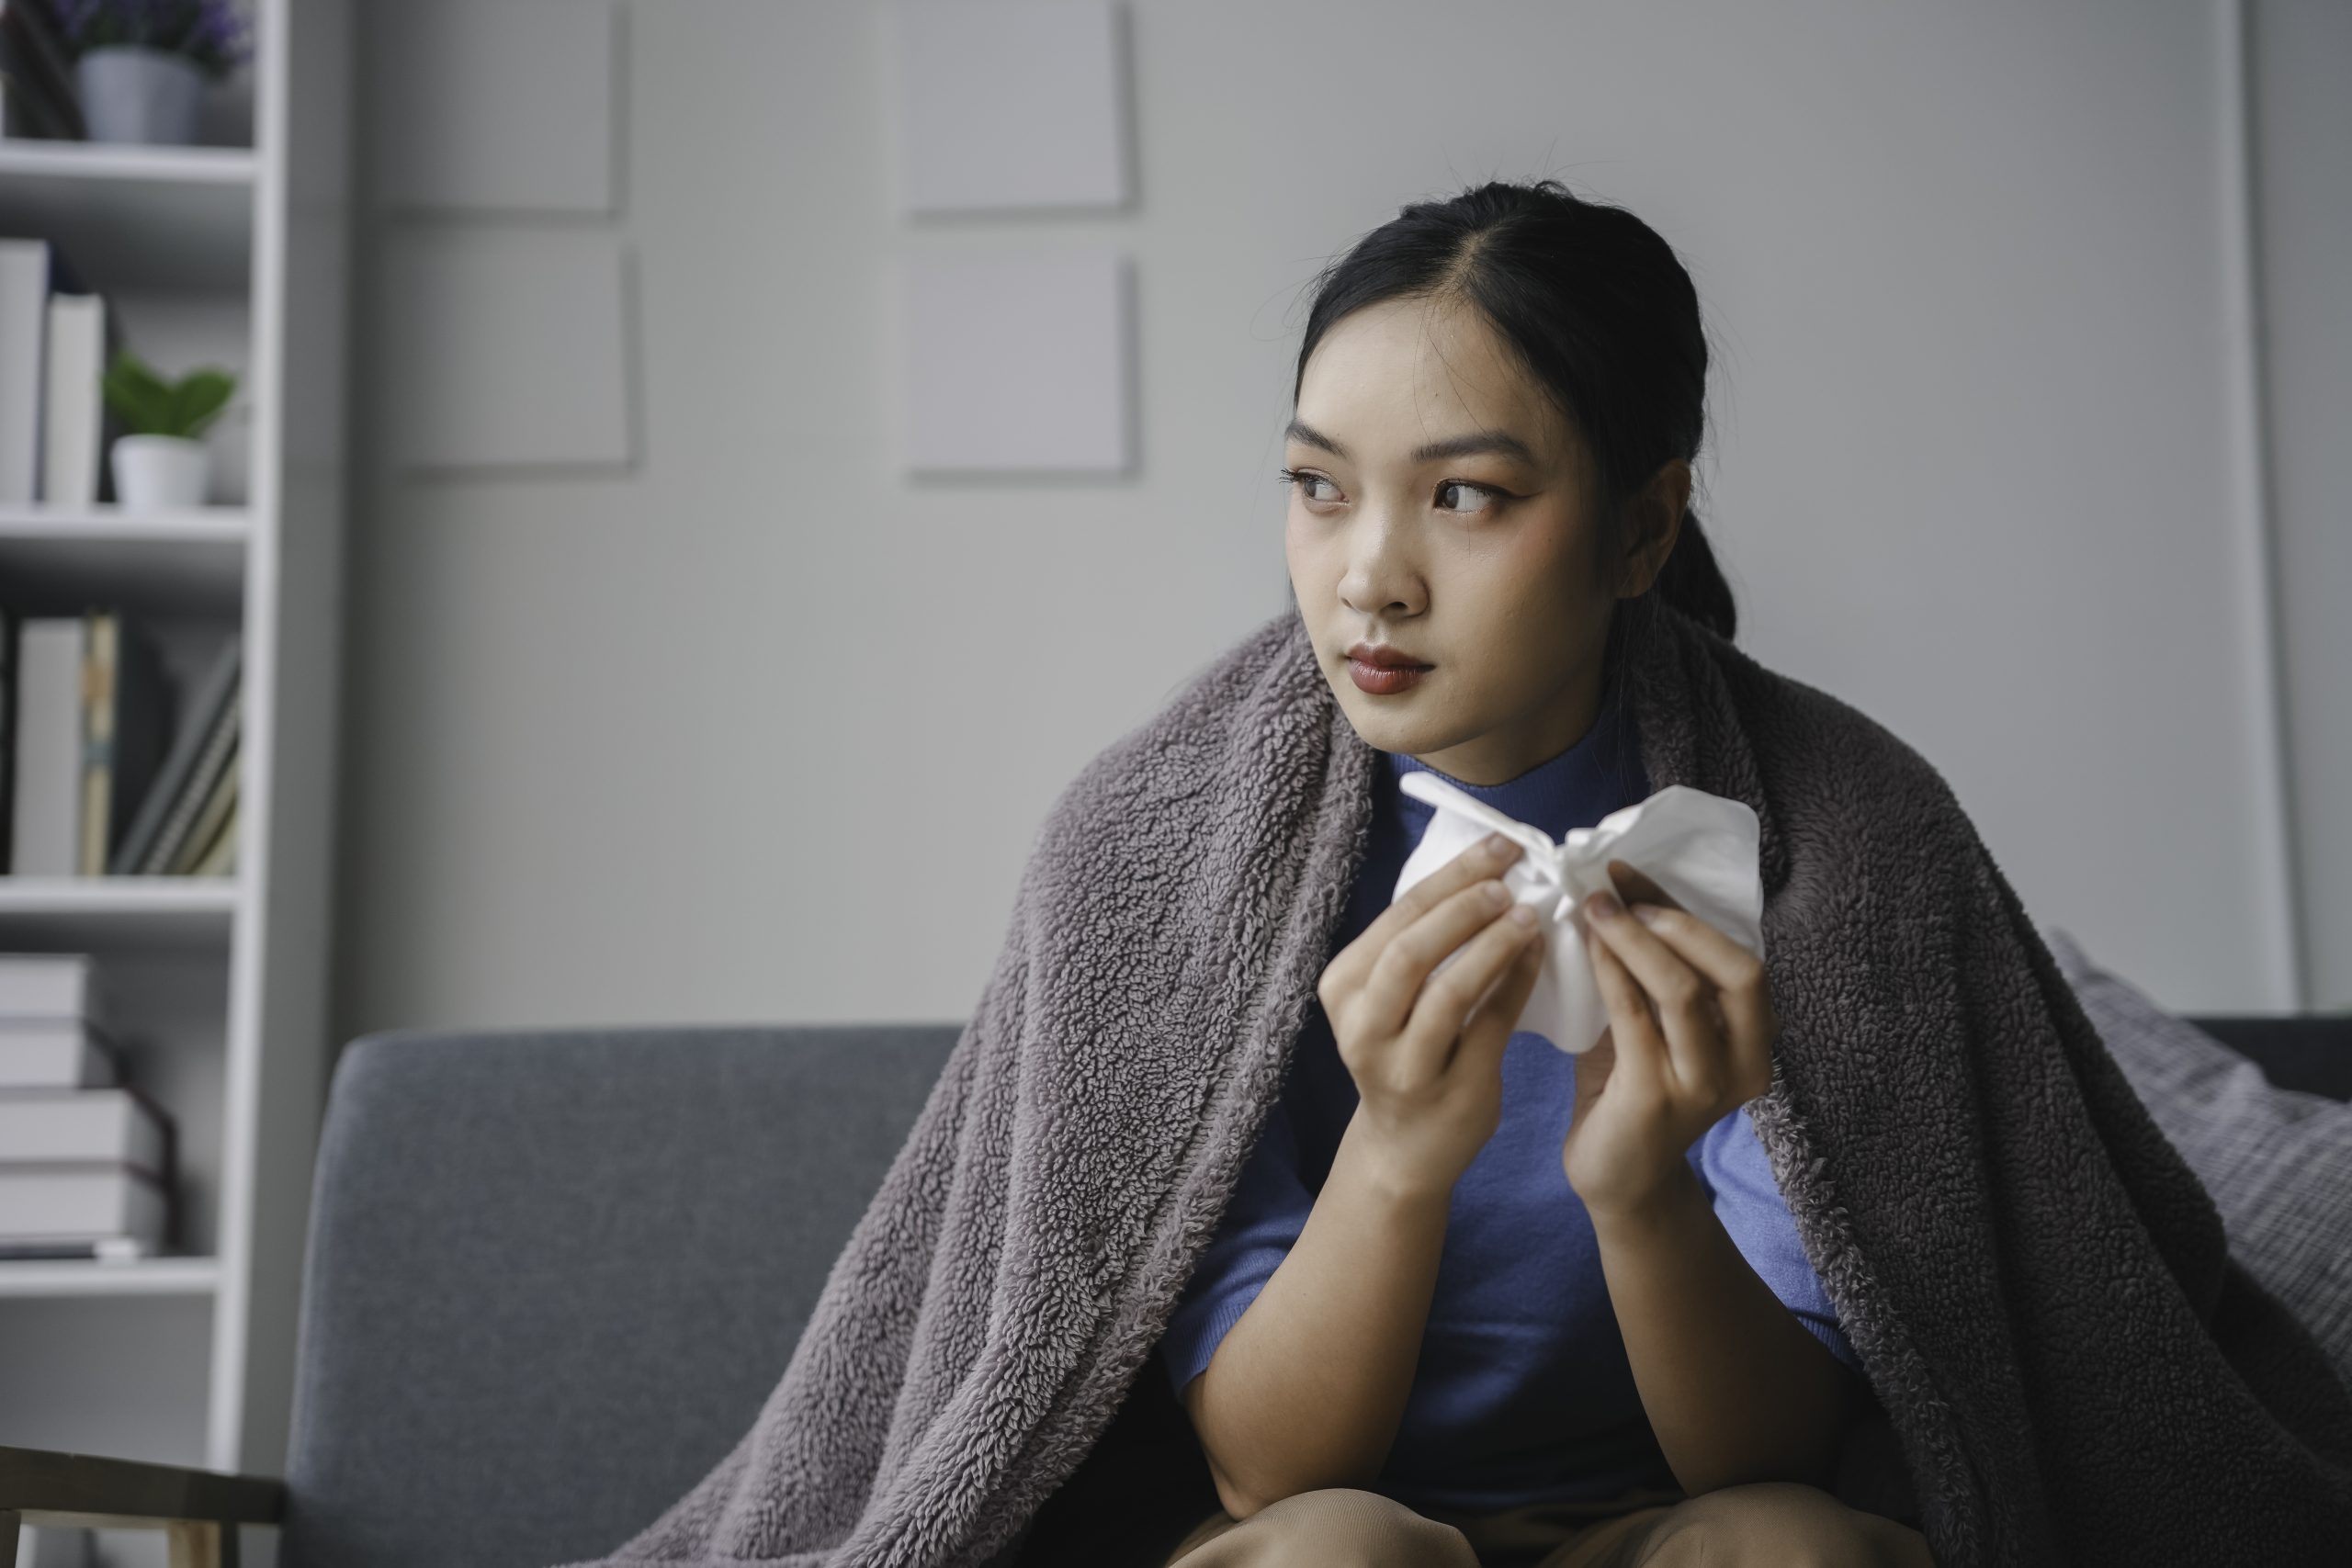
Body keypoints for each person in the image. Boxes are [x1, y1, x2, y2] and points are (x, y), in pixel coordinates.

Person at [1150, 179, 1938, 1568]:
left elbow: (1783, 1457)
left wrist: (1641, 1189)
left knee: (1798, 1553)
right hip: (1330, 1522)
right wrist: (1397, 1151)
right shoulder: (1177, 851)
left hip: (1665, 1523)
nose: (1369, 579)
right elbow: (1265, 1472)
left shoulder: (1820, 845)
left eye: (1464, 494)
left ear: (1641, 529)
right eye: (1319, 487)